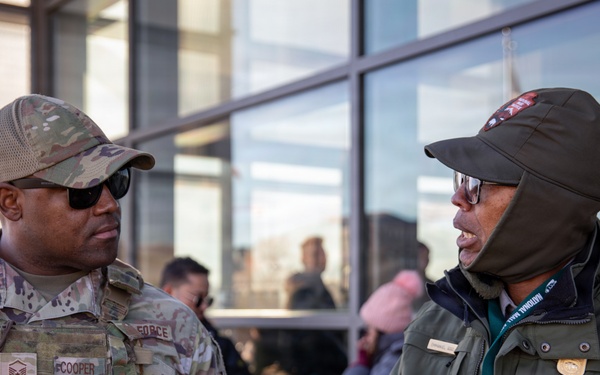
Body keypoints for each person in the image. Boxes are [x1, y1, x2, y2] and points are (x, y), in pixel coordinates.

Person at [0, 94, 225, 374]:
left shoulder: (175, 326)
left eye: (116, 181)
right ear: (10, 202)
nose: (110, 204)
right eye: (83, 190)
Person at [391, 87, 600, 374]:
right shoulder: (440, 316)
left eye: (478, 182)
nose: (458, 197)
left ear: (545, 203)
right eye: (461, 179)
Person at [160, 257, 252, 375]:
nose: (204, 306)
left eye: (208, 300)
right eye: (197, 299)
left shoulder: (218, 345)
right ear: (168, 292)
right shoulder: (140, 336)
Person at [342, 270, 423, 375]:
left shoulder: (392, 361)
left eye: (367, 330)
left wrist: (361, 365)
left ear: (382, 330)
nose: (364, 338)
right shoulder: (394, 354)